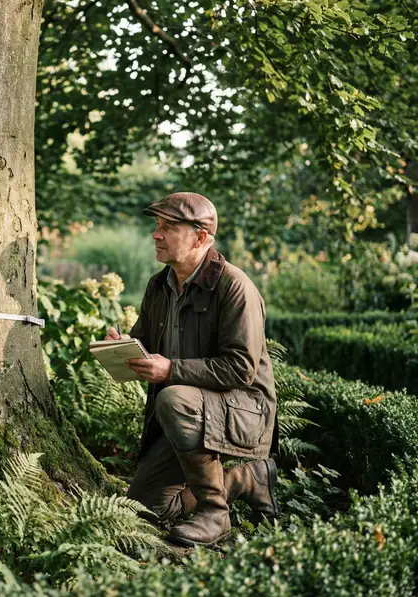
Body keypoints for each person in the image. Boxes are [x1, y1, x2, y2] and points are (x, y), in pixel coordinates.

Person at [105, 192, 278, 547]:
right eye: (156, 226)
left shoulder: (235, 287)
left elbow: (240, 369)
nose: (156, 234)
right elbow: (147, 345)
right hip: (191, 413)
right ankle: (247, 479)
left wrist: (169, 370)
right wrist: (121, 347)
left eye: (168, 227)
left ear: (200, 237)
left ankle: (215, 514)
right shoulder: (159, 286)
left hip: (244, 411)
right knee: (148, 509)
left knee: (173, 398)